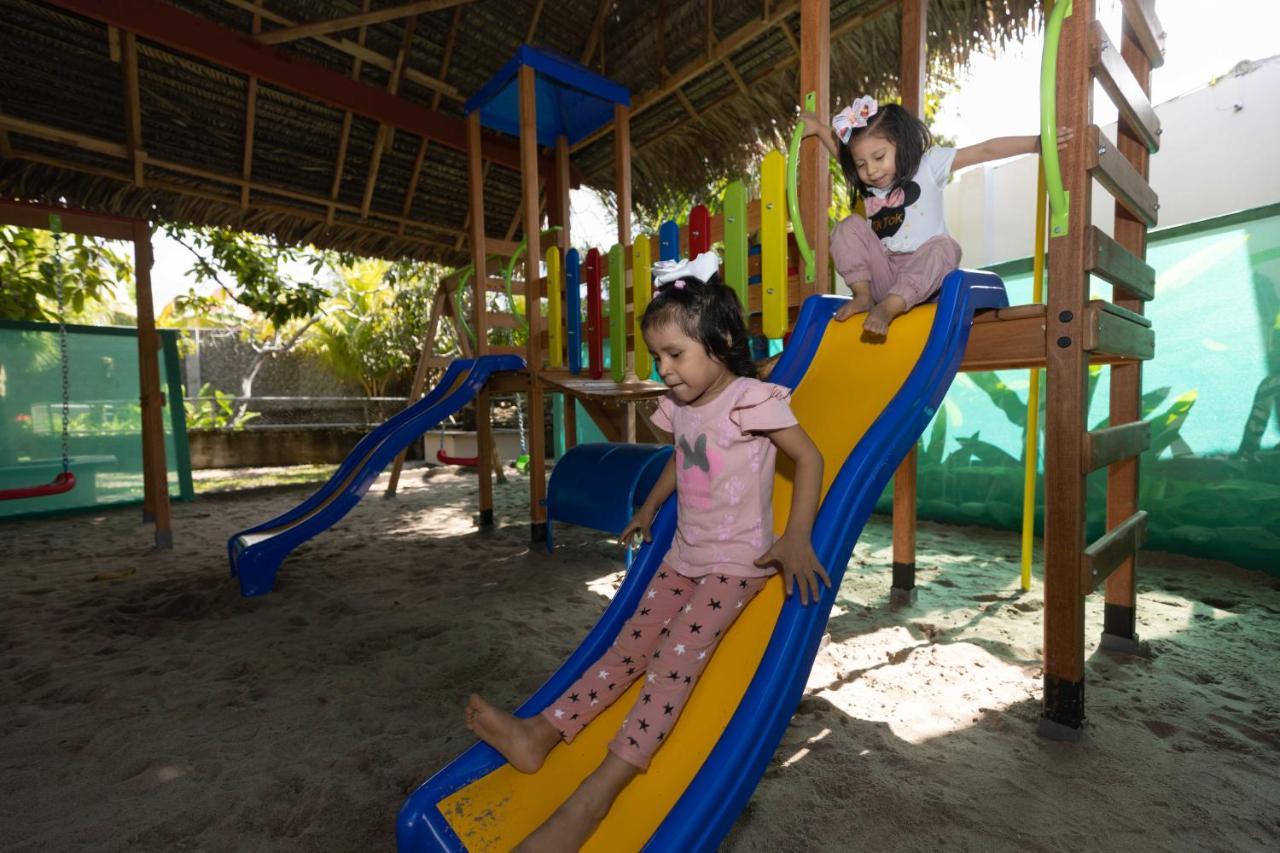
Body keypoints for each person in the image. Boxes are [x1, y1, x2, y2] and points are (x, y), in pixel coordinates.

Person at [464, 251, 829, 851]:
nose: (664, 369)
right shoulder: (682, 405)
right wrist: (651, 507)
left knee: (671, 664)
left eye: (675, 355)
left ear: (723, 341)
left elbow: (809, 458)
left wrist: (796, 535)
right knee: (626, 648)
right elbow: (683, 460)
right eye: (657, 357)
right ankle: (540, 735)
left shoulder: (751, 400)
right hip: (683, 554)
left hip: (737, 564)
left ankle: (597, 795)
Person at [801, 95, 1056, 337]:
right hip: (885, 277)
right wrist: (820, 129)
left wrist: (1036, 143)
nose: (872, 169)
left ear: (901, 143)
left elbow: (985, 151)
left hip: (927, 281)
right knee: (848, 226)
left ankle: (889, 307)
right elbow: (842, 153)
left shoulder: (929, 165)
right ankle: (863, 296)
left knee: (945, 247)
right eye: (861, 164)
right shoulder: (872, 188)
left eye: (878, 157)